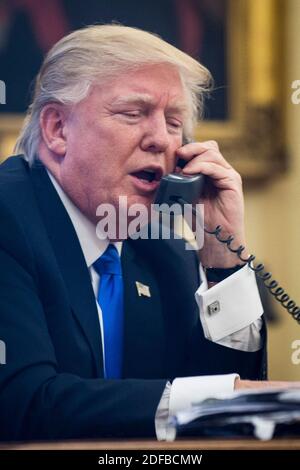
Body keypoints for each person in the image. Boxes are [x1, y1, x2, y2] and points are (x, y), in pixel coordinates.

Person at [0, 24, 296, 442]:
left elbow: (232, 420)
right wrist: (218, 397)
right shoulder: (7, 218)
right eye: (133, 113)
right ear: (57, 129)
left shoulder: (164, 247)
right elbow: (21, 403)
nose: (162, 139)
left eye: (174, 122)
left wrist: (223, 260)